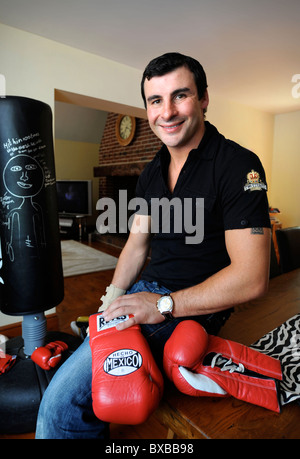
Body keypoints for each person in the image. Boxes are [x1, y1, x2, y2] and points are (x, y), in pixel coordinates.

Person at [35, 52, 271, 439]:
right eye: (156, 100)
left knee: (58, 411)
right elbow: (136, 244)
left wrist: (161, 305)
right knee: (71, 395)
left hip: (195, 305)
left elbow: (252, 278)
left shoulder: (238, 165)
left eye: (181, 95)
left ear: (205, 98)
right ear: (147, 109)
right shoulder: (151, 171)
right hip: (149, 297)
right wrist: (113, 298)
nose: (168, 111)